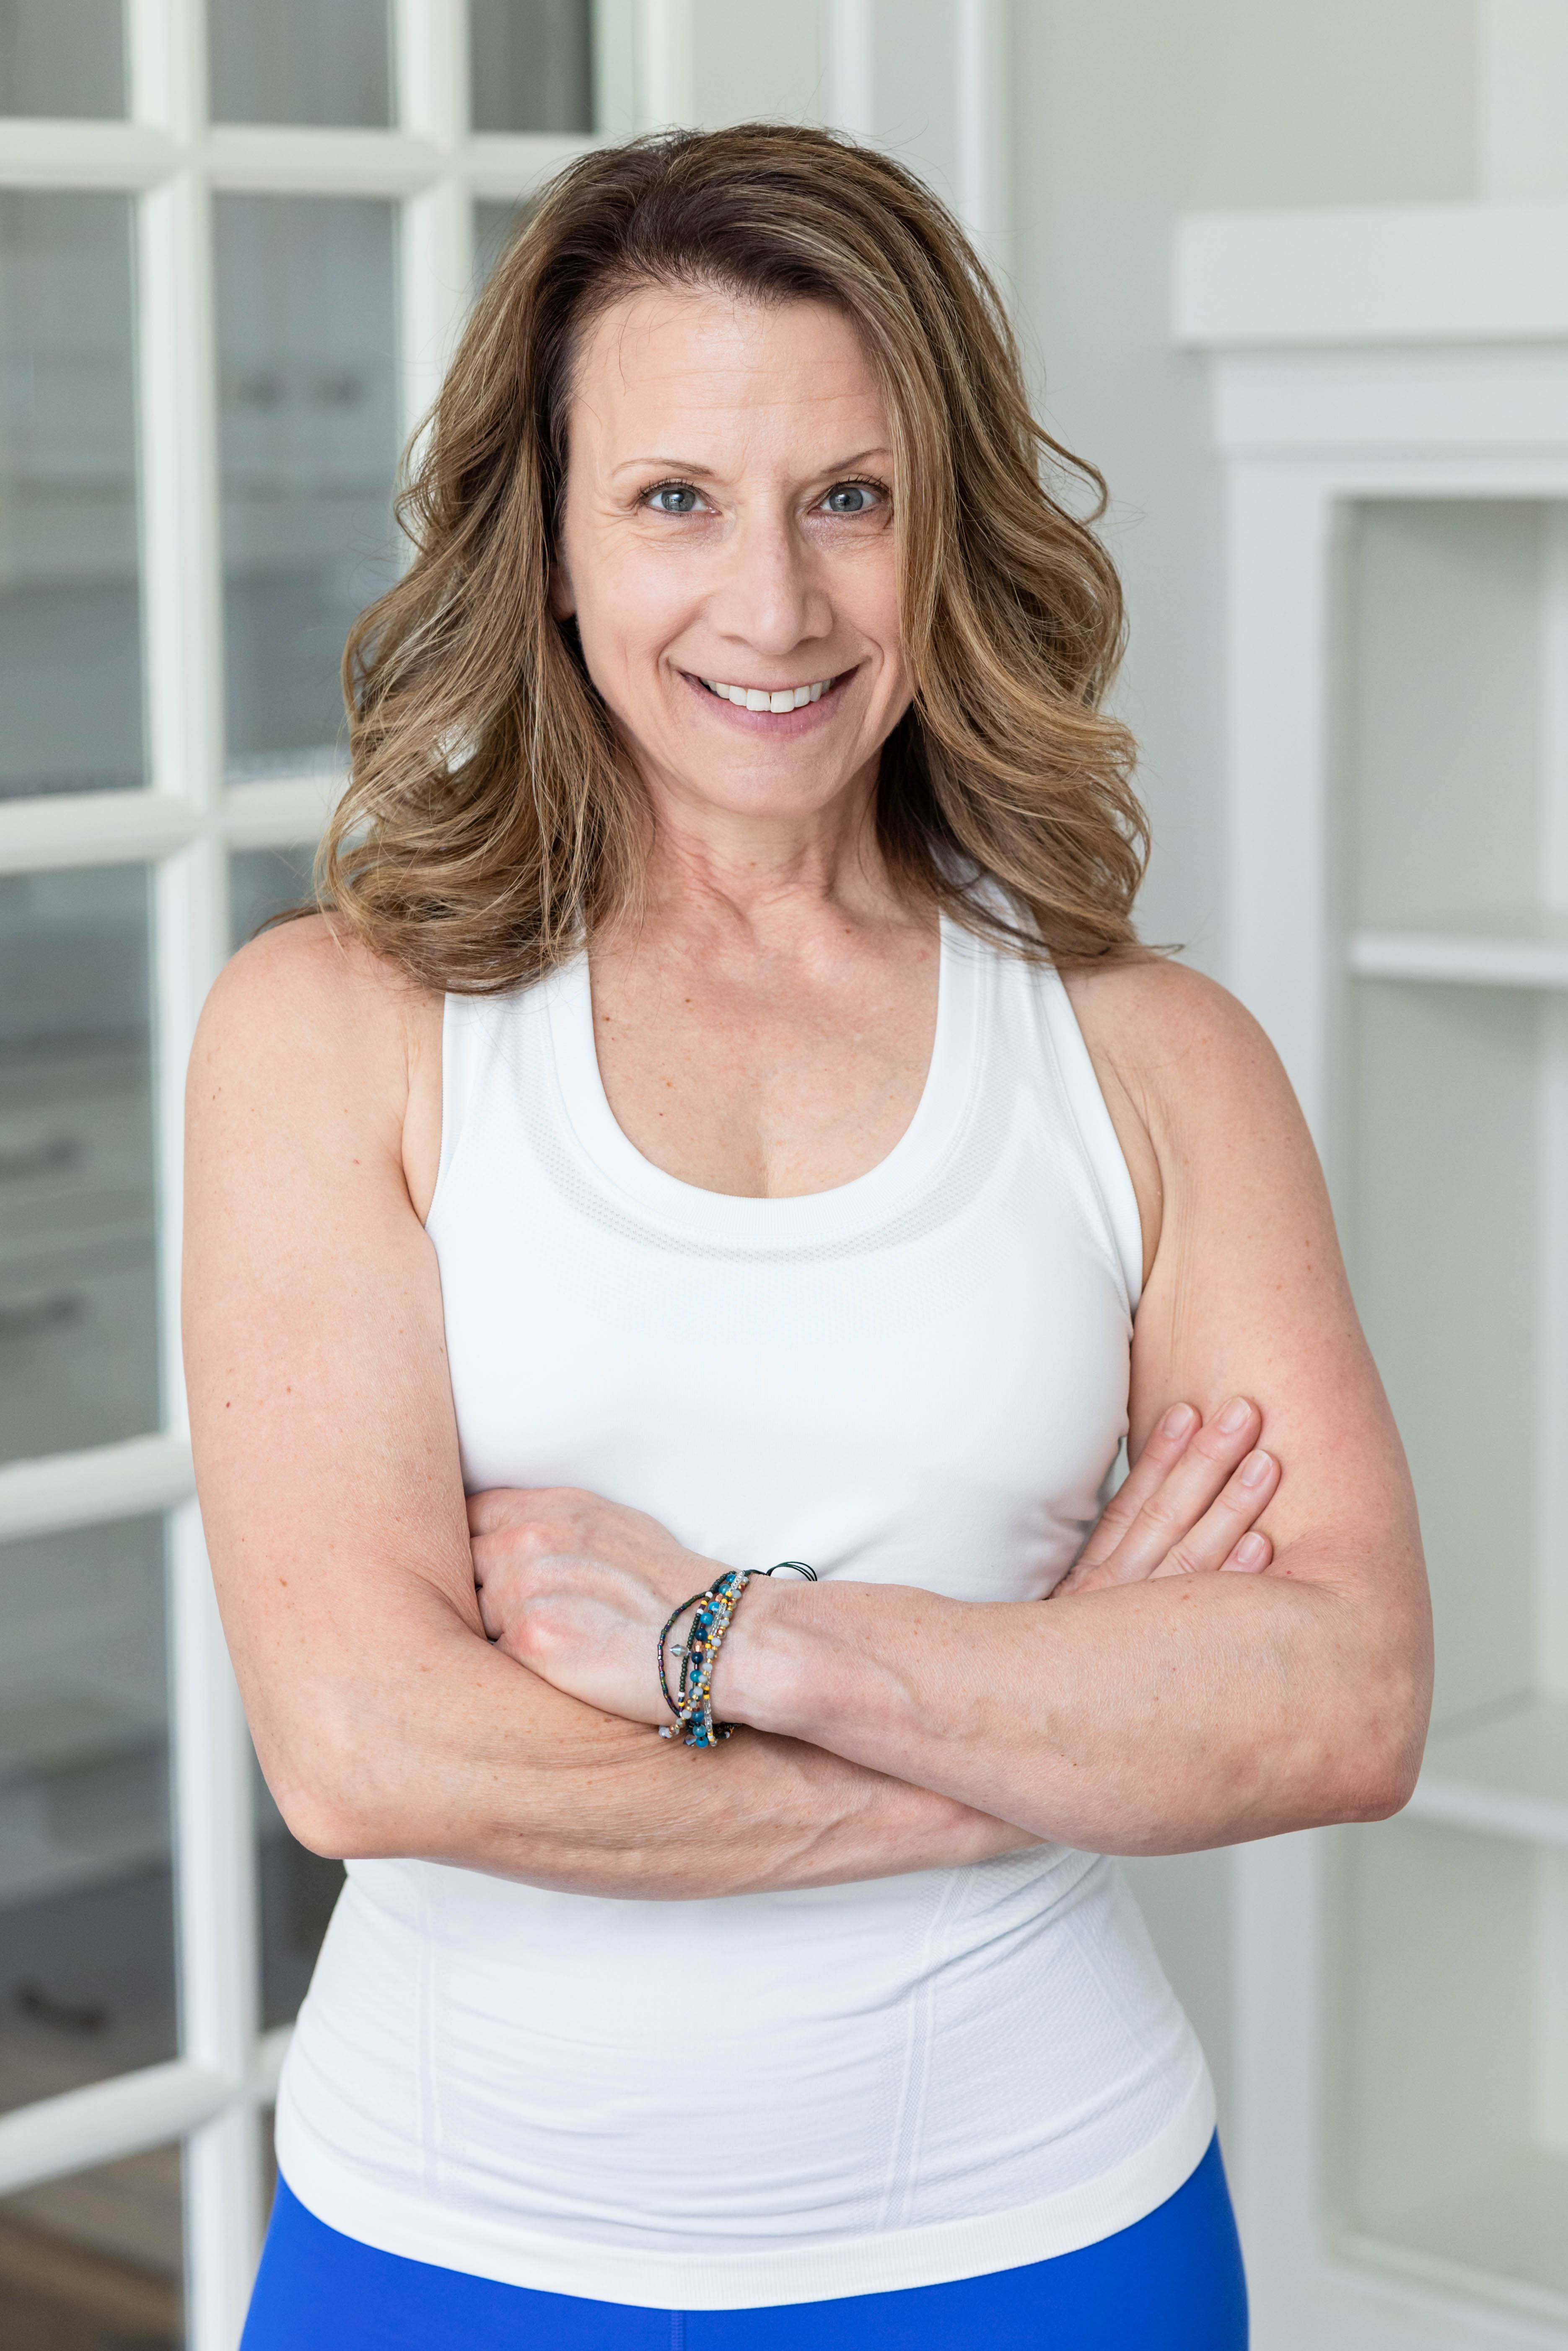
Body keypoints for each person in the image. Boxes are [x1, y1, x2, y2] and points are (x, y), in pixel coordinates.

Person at [185, 125, 1431, 2351]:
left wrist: (750, 1646)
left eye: (849, 498)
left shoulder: (1154, 1058)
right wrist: (1021, 1743)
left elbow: (1341, 1698)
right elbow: (369, 1748)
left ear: (944, 536)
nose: (773, 606)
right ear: (546, 546)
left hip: (1047, 2249)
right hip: (461, 2261)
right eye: (676, 499)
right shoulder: (335, 1032)